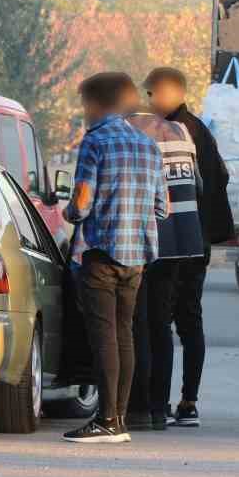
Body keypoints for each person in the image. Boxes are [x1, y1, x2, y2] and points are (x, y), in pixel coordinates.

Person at [62, 72, 168, 445]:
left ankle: (105, 419)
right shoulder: (148, 145)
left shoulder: (95, 142)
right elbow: (162, 207)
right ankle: (118, 417)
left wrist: (70, 215)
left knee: (103, 336)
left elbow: (81, 202)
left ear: (96, 104)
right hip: (136, 258)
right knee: (124, 334)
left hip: (101, 254)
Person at [143, 66, 233, 426]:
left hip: (172, 241)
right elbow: (220, 177)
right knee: (190, 321)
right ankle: (188, 401)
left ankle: (157, 403)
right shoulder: (201, 131)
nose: (148, 102)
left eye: (150, 95)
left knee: (160, 321)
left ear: (166, 95)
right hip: (198, 242)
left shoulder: (170, 132)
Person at [120, 74, 205, 431]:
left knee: (140, 321)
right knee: (162, 324)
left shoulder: (132, 133)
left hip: (153, 237)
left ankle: (139, 407)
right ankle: (158, 408)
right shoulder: (183, 132)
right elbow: (198, 184)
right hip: (185, 239)